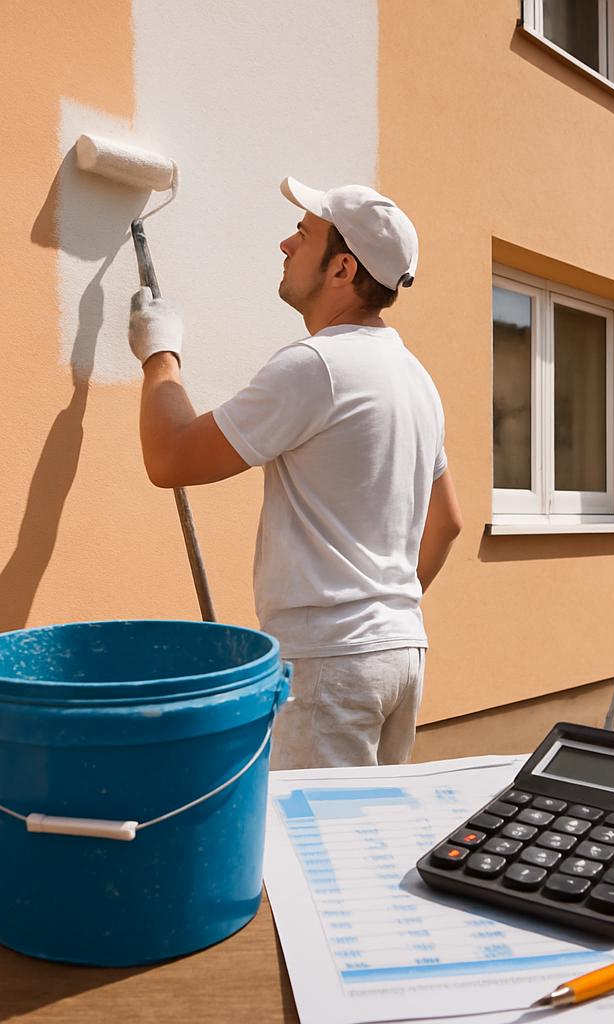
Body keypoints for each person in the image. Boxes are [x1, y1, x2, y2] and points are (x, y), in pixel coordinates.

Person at [127, 176, 462, 769]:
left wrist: (161, 353)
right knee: (367, 841)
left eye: (304, 235)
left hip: (330, 665)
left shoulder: (317, 367)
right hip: (400, 653)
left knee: (310, 848)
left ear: (341, 269)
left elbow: (171, 457)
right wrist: (381, 618)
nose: (286, 245)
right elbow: (448, 523)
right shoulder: (416, 378)